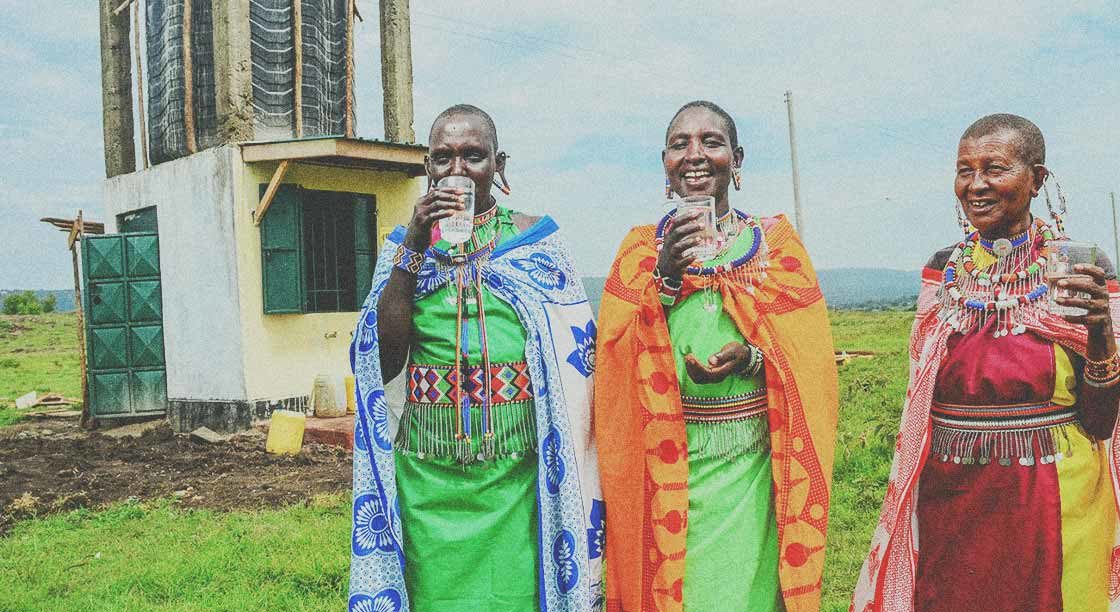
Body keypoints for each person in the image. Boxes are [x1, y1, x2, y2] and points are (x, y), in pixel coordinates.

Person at [850, 114, 1120, 612]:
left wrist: (1101, 334)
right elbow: (923, 399)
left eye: (994, 169)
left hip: (1056, 497)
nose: (975, 185)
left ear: (1037, 179)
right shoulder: (944, 269)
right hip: (950, 495)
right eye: (964, 170)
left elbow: (1102, 420)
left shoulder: (1081, 265)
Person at [348, 104, 604, 612]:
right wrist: (414, 248)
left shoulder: (537, 243)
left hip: (516, 477)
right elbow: (382, 359)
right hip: (427, 477)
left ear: (499, 164)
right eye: (444, 158)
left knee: (516, 597)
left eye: (473, 156)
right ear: (428, 167)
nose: (458, 171)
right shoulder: (403, 247)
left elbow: (578, 359)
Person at [595, 101, 839, 612]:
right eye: (680, 144)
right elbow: (614, 364)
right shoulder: (640, 250)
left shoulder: (775, 246)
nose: (695, 155)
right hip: (664, 462)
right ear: (664, 161)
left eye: (711, 142)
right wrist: (663, 277)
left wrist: (750, 360)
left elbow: (807, 359)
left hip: (752, 466)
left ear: (737, 157)